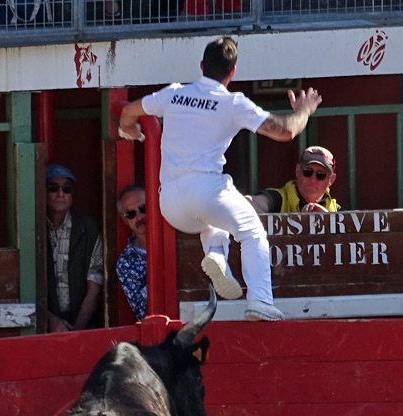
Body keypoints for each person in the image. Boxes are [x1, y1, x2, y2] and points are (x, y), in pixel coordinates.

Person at [118, 36, 322, 321]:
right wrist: (304, 111)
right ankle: (261, 300)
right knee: (251, 232)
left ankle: (217, 256)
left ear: (201, 66)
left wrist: (130, 131)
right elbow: (286, 131)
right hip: (205, 190)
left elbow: (128, 112)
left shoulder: (174, 93)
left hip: (170, 202)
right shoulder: (233, 103)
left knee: (215, 218)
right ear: (233, 72)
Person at [45, 164, 103, 333]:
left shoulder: (89, 228)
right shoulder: (32, 229)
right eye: (53, 188)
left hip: (82, 324)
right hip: (42, 325)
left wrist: (77, 331)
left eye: (67, 189)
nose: (61, 194)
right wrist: (50, 320)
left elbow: (95, 287)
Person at [249, 146, 339, 214]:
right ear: (297, 171)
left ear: (331, 180)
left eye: (321, 175)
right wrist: (299, 219)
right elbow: (248, 204)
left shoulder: (336, 210)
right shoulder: (278, 199)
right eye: (308, 172)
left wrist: (328, 220)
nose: (313, 179)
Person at [114, 184, 148, 321]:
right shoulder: (125, 264)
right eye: (131, 214)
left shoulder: (177, 239)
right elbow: (143, 314)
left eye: (143, 208)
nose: (139, 217)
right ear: (125, 220)